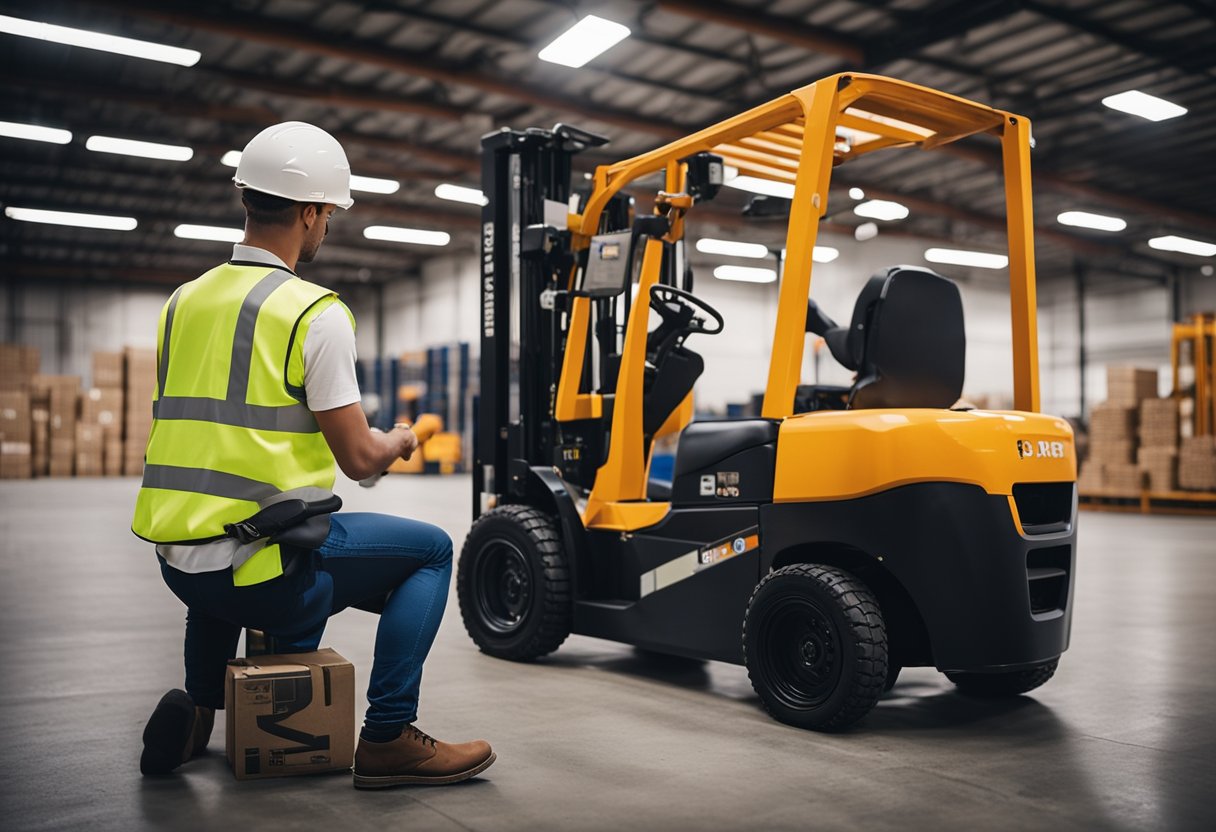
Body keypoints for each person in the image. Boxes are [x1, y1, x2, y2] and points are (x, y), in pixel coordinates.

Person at [131, 121, 493, 789]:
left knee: (225, 547)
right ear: (308, 213)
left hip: (179, 562)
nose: (326, 226)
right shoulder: (313, 313)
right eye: (328, 213)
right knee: (433, 550)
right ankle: (388, 736)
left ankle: (201, 706)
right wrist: (403, 440)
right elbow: (359, 458)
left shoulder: (182, 304)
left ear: (248, 200)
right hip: (266, 576)